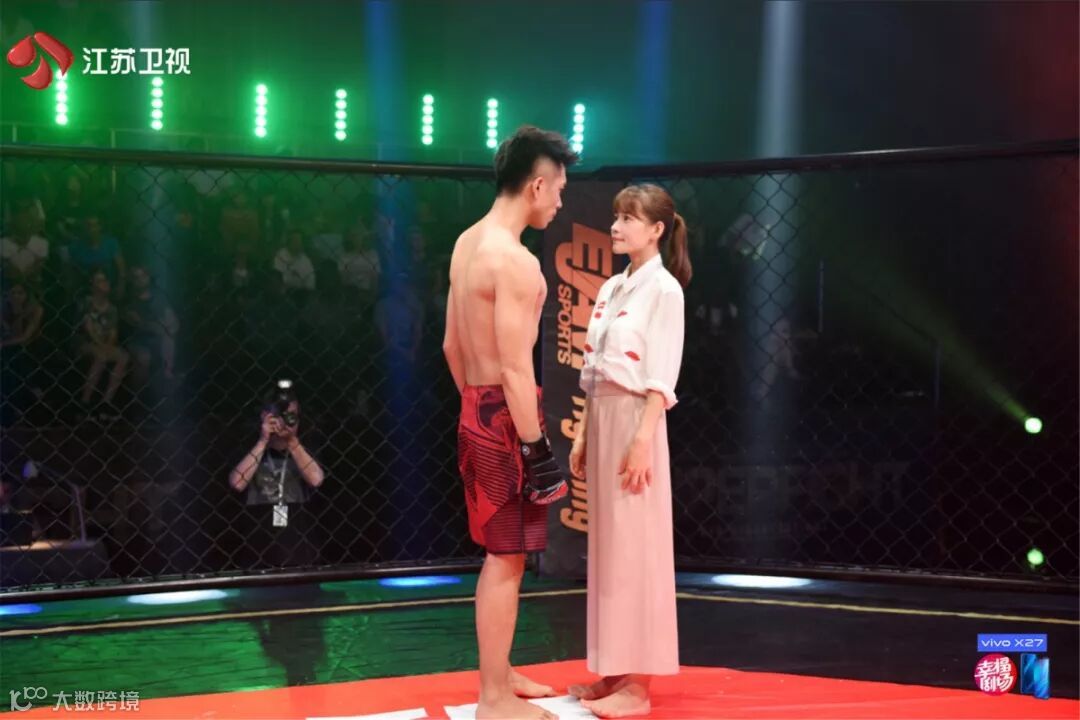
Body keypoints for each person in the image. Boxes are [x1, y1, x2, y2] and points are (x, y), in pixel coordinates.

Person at [442, 126, 577, 720]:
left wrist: (480, 413)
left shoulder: (466, 242)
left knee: (505, 555)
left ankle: (500, 674)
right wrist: (534, 448)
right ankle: (493, 697)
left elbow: (451, 346)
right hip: (506, 415)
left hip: (476, 407)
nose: (560, 202)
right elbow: (517, 369)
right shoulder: (517, 262)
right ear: (537, 185)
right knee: (506, 557)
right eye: (559, 190)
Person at [567, 183, 692, 718]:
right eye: (616, 216)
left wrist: (642, 439)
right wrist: (582, 432)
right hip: (604, 416)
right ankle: (614, 671)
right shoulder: (612, 286)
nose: (616, 227)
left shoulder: (664, 289)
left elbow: (660, 375)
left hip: (637, 420)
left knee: (637, 548)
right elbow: (595, 368)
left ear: (657, 229)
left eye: (628, 218)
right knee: (610, 550)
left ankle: (638, 686)